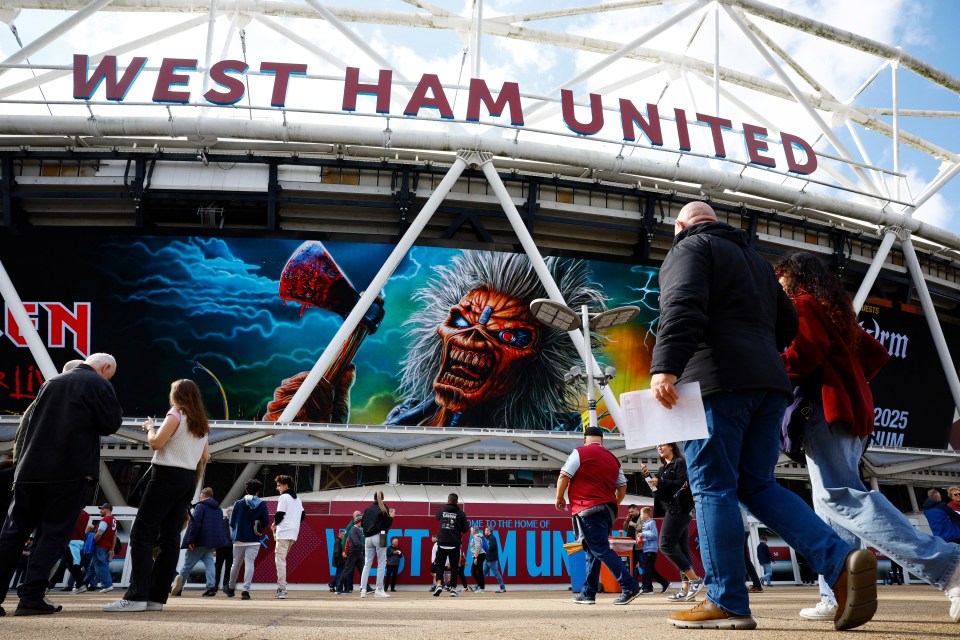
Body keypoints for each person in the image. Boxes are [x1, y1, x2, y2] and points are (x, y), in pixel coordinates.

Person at [649, 201, 877, 631]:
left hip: (715, 383)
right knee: (756, 484)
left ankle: (726, 601)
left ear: (681, 225)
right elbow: (787, 324)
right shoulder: (757, 261)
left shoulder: (689, 249)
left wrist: (666, 365)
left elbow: (681, 304)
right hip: (769, 387)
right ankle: (838, 561)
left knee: (712, 487)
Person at [776, 252, 960, 623]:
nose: (777, 286)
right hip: (849, 416)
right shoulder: (837, 313)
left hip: (823, 413)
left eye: (780, 278)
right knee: (834, 513)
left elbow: (802, 357)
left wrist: (767, 364)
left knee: (841, 498)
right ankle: (839, 594)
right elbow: (876, 355)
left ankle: (949, 566)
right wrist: (848, 381)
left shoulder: (805, 303)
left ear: (793, 278)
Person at [0, 353, 122, 616]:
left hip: (29, 472)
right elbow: (111, 423)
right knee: (52, 534)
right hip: (68, 471)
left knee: (12, 533)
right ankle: (31, 597)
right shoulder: (99, 384)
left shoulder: (51, 382)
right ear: (106, 367)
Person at [105, 378, 211, 613]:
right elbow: (205, 456)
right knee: (170, 538)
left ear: (177, 395)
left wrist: (150, 427)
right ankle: (156, 597)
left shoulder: (176, 413)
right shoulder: (201, 423)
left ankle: (136, 596)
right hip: (187, 480)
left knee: (142, 534)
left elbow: (156, 443)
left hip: (165, 476)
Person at [556, 425, 641, 606]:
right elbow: (622, 486)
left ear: (585, 439)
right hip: (607, 511)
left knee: (600, 549)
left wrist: (559, 497)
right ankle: (588, 593)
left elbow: (564, 476)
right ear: (602, 440)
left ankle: (629, 585)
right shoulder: (613, 459)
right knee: (592, 551)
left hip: (587, 507)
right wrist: (615, 504)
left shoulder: (579, 453)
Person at [641, 443, 701, 601]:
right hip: (671, 509)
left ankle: (695, 579)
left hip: (679, 509)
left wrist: (660, 483)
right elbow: (659, 494)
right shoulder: (662, 469)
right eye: (657, 446)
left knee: (665, 544)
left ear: (672, 447)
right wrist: (648, 477)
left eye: (662, 445)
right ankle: (686, 589)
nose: (659, 448)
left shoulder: (679, 463)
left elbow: (683, 483)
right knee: (682, 548)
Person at [171, 487, 229, 598]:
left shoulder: (200, 506)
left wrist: (191, 540)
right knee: (210, 564)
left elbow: (194, 523)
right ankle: (211, 587)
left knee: (187, 566)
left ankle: (178, 588)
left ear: (203, 495)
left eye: (200, 495)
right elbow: (219, 528)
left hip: (198, 541)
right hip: (210, 543)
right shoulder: (218, 510)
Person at [226, 479, 270, 600]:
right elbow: (266, 521)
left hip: (239, 538)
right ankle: (245, 591)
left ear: (246, 490)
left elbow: (232, 522)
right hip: (254, 539)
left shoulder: (238, 503)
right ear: (258, 491)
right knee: (249, 564)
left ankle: (231, 588)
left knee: (235, 564)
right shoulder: (261, 504)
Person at [272, 474, 305, 600]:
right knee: (282, 560)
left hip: (284, 532)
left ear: (285, 485)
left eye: (279, 485)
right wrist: (293, 523)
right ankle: (282, 586)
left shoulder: (283, 497)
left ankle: (282, 588)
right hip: (293, 533)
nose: (277, 488)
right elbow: (303, 516)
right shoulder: (298, 499)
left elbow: (279, 514)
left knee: (280, 561)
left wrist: (274, 524)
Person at [359, 490, 395, 598]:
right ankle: (379, 589)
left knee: (367, 564)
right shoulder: (384, 508)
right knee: (381, 563)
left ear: (373, 498)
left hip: (368, 538)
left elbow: (362, 523)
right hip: (381, 535)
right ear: (382, 498)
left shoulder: (368, 509)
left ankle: (363, 589)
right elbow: (387, 524)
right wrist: (391, 517)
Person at [433, 493, 469, 597]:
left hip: (442, 542)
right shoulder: (461, 513)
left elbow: (437, 516)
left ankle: (439, 584)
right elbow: (465, 529)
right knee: (454, 567)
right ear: (457, 502)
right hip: (454, 544)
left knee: (439, 564)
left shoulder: (442, 510)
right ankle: (453, 589)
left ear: (448, 500)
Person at [637, 506, 671, 595]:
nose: (640, 516)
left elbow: (654, 534)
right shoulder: (646, 523)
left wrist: (642, 534)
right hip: (647, 549)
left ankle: (647, 588)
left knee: (647, 569)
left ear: (646, 515)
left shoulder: (651, 522)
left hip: (651, 549)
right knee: (649, 569)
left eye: (641, 514)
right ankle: (664, 583)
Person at [337, 513, 364, 594]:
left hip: (358, 553)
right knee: (346, 571)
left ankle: (365, 588)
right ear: (359, 521)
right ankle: (338, 589)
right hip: (353, 553)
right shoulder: (353, 529)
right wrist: (366, 546)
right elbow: (356, 542)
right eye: (362, 521)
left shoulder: (358, 529)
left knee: (362, 571)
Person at [214, 507, 234, 594]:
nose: (232, 513)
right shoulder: (221, 522)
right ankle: (215, 585)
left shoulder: (236, 523)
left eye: (233, 511)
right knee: (218, 567)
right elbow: (217, 534)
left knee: (228, 567)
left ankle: (226, 585)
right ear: (227, 512)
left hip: (231, 548)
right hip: (221, 547)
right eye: (230, 511)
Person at [482, 527, 506, 593]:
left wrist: (484, 547)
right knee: (483, 573)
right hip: (488, 558)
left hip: (491, 559)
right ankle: (477, 586)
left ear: (489, 531)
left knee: (496, 573)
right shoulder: (489, 538)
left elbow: (491, 548)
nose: (484, 531)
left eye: (486, 530)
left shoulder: (491, 538)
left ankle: (502, 587)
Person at [623, 504, 643, 579]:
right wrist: (626, 521)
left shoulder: (641, 517)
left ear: (636, 509)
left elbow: (642, 528)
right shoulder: (631, 518)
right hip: (631, 546)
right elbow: (625, 529)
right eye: (629, 512)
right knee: (632, 564)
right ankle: (634, 583)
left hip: (639, 545)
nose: (631, 513)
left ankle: (647, 584)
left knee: (643, 564)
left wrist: (633, 524)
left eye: (632, 511)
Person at [469, 525, 486, 593]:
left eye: (471, 531)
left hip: (479, 555)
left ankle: (481, 588)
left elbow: (477, 547)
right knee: (474, 571)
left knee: (479, 571)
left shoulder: (476, 537)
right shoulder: (478, 536)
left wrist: (476, 558)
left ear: (473, 531)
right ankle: (480, 586)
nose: (470, 532)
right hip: (479, 555)